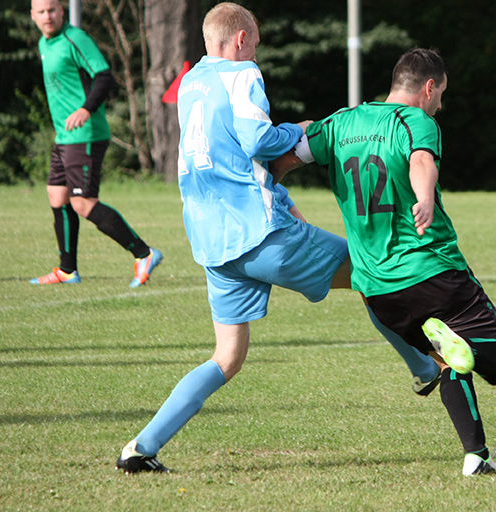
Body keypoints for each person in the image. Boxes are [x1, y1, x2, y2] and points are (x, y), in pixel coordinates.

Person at [114, 3, 439, 474]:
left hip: (212, 242)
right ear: (242, 39)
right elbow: (259, 142)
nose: (257, 50)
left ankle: (141, 448)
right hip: (261, 235)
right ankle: (425, 368)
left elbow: (228, 155)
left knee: (226, 358)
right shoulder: (242, 74)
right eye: (257, 41)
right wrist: (299, 129)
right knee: (371, 272)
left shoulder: (191, 83)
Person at [290, 48, 496, 476]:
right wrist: (423, 197)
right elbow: (420, 160)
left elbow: (290, 152)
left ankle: (477, 456)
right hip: (432, 271)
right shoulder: (417, 121)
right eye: (441, 95)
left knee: (446, 361)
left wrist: (265, 192)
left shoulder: (342, 122)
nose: (440, 104)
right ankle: (466, 348)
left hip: (378, 290)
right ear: (429, 86)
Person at [29, 0, 162, 287]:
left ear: (61, 11)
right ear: (33, 15)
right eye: (41, 12)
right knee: (57, 196)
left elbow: (103, 76)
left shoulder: (75, 38)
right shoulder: (44, 43)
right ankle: (67, 271)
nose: (47, 16)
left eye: (52, 10)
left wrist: (86, 109)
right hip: (64, 137)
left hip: (85, 135)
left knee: (83, 203)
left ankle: (144, 253)